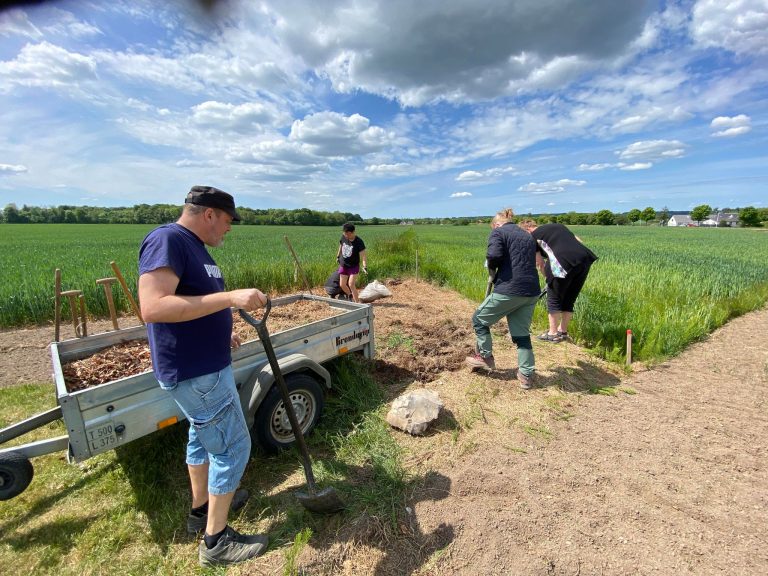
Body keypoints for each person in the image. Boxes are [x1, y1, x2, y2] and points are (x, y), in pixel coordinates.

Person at [138, 185, 269, 568]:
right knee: (232, 447)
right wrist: (230, 299)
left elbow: (192, 303)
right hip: (195, 371)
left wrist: (221, 323)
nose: (229, 229)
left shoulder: (197, 250)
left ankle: (201, 509)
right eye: (228, 220)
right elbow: (154, 306)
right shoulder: (168, 240)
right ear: (209, 213)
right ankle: (216, 542)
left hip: (208, 365)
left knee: (201, 437)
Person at [465, 208, 541, 389]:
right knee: (521, 334)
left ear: (496, 224)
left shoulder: (498, 233)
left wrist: (492, 270)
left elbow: (493, 256)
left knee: (479, 320)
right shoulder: (526, 235)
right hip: (531, 291)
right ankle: (526, 374)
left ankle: (484, 356)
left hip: (510, 289)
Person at [519, 220, 598, 343]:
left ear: (527, 230)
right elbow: (578, 240)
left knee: (554, 298)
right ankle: (563, 331)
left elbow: (539, 263)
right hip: (584, 259)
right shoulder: (558, 226)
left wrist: (548, 278)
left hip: (562, 261)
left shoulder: (532, 237)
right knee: (569, 297)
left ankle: (553, 333)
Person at [335, 222, 367, 302]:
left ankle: (358, 304)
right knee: (342, 285)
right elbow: (341, 245)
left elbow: (363, 255)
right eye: (344, 233)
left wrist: (364, 266)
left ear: (352, 232)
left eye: (347, 234)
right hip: (343, 264)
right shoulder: (344, 236)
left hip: (353, 266)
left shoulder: (359, 241)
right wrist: (338, 256)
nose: (346, 235)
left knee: (351, 284)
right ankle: (350, 295)